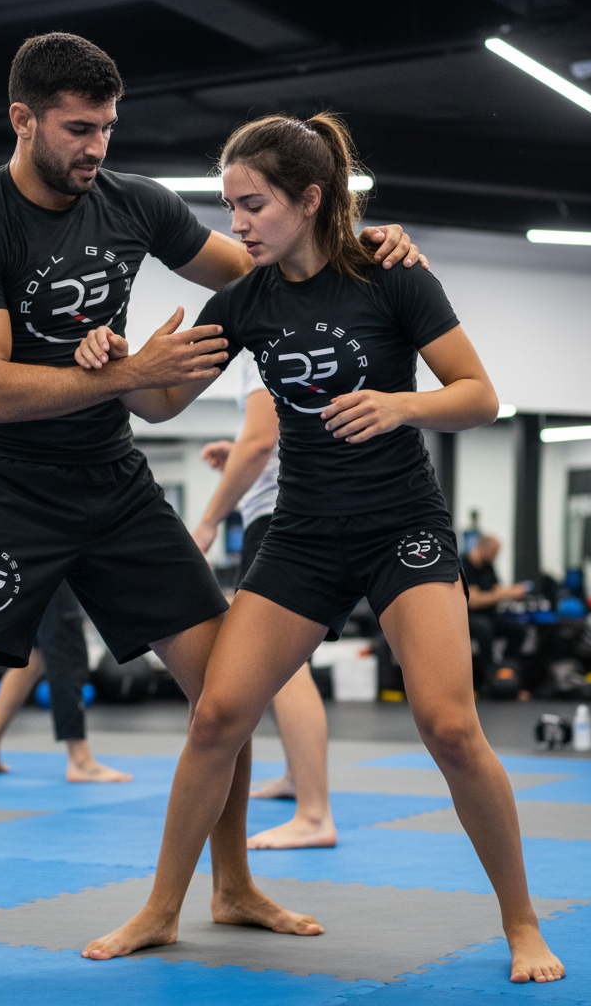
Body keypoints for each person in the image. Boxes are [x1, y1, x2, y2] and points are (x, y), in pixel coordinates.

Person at [0, 32, 421, 979]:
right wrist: (127, 372)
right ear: (24, 119)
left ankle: (233, 885)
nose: (97, 147)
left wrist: (365, 249)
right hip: (11, 489)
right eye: (78, 129)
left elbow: (263, 267)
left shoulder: (134, 203)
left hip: (115, 486)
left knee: (225, 694)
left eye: (107, 128)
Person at [77, 111, 563, 984]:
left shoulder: (391, 276)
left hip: (402, 529)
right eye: (230, 207)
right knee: (217, 717)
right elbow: (159, 405)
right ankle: (163, 908)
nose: (237, 225)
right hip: (303, 536)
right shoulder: (247, 302)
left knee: (450, 727)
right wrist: (117, 362)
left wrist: (401, 404)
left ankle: (522, 924)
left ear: (309, 198)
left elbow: (479, 395)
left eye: (253, 205)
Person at [194, 350, 335, 850]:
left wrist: (208, 520)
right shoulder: (301, 341)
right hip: (299, 508)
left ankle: (314, 814)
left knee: (281, 664)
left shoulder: (266, 344)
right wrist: (237, 455)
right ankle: (299, 779)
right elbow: (268, 439)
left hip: (280, 516)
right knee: (281, 662)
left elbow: (261, 440)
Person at [0, 581, 133, 782]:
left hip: (31, 568)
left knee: (35, 656)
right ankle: (80, 760)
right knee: (65, 645)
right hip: (50, 566)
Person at [461, 534, 529, 696]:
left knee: (518, 630)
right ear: (482, 548)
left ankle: (506, 669)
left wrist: (513, 592)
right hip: (467, 617)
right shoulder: (464, 565)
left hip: (488, 616)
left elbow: (498, 589)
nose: (495, 556)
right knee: (484, 628)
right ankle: (488, 678)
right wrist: (505, 594)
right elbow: (474, 601)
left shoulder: (488, 566)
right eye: (494, 552)